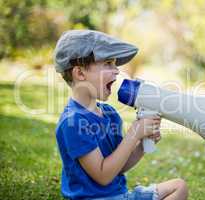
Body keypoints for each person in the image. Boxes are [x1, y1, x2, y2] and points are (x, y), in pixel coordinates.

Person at [54, 30, 188, 200]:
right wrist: (133, 134)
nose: (117, 71)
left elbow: (119, 166)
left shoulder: (110, 114)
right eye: (108, 63)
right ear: (80, 73)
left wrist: (141, 145)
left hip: (121, 195)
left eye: (115, 64)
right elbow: (103, 175)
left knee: (179, 187)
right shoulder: (73, 122)